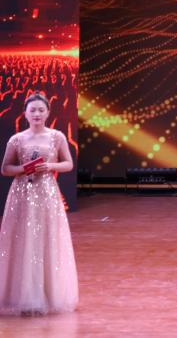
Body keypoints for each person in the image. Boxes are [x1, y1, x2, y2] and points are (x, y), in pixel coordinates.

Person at [0, 93, 78, 315]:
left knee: (46, 239)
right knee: (24, 240)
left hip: (46, 193)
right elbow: (5, 168)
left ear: (47, 113)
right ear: (25, 113)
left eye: (41, 110)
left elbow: (68, 164)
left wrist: (51, 166)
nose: (36, 114)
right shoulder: (17, 139)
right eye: (32, 110)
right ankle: (21, 295)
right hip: (22, 195)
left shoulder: (57, 137)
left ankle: (49, 295)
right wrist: (24, 169)